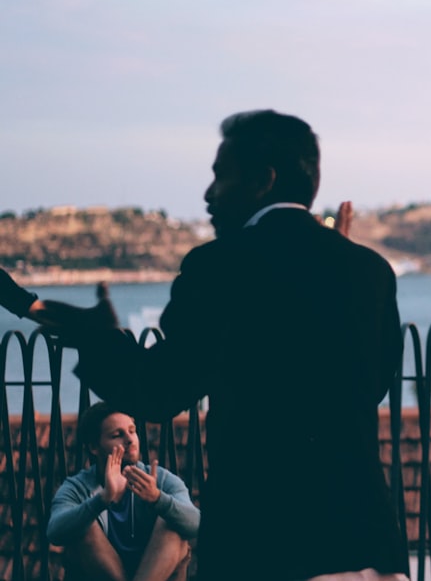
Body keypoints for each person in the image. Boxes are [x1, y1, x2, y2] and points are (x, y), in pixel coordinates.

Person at [40, 110, 409, 581]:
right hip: (362, 538)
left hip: (261, 541)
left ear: (262, 180)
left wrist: (96, 337)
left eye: (220, 176)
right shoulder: (370, 270)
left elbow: (159, 391)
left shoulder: (217, 268)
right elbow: (373, 385)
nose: (208, 194)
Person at [47, 401, 200, 581]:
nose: (130, 439)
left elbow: (197, 524)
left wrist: (158, 499)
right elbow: (54, 532)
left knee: (172, 525)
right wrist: (102, 500)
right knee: (83, 527)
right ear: (94, 447)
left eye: (132, 430)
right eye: (117, 435)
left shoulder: (161, 479)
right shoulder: (78, 486)